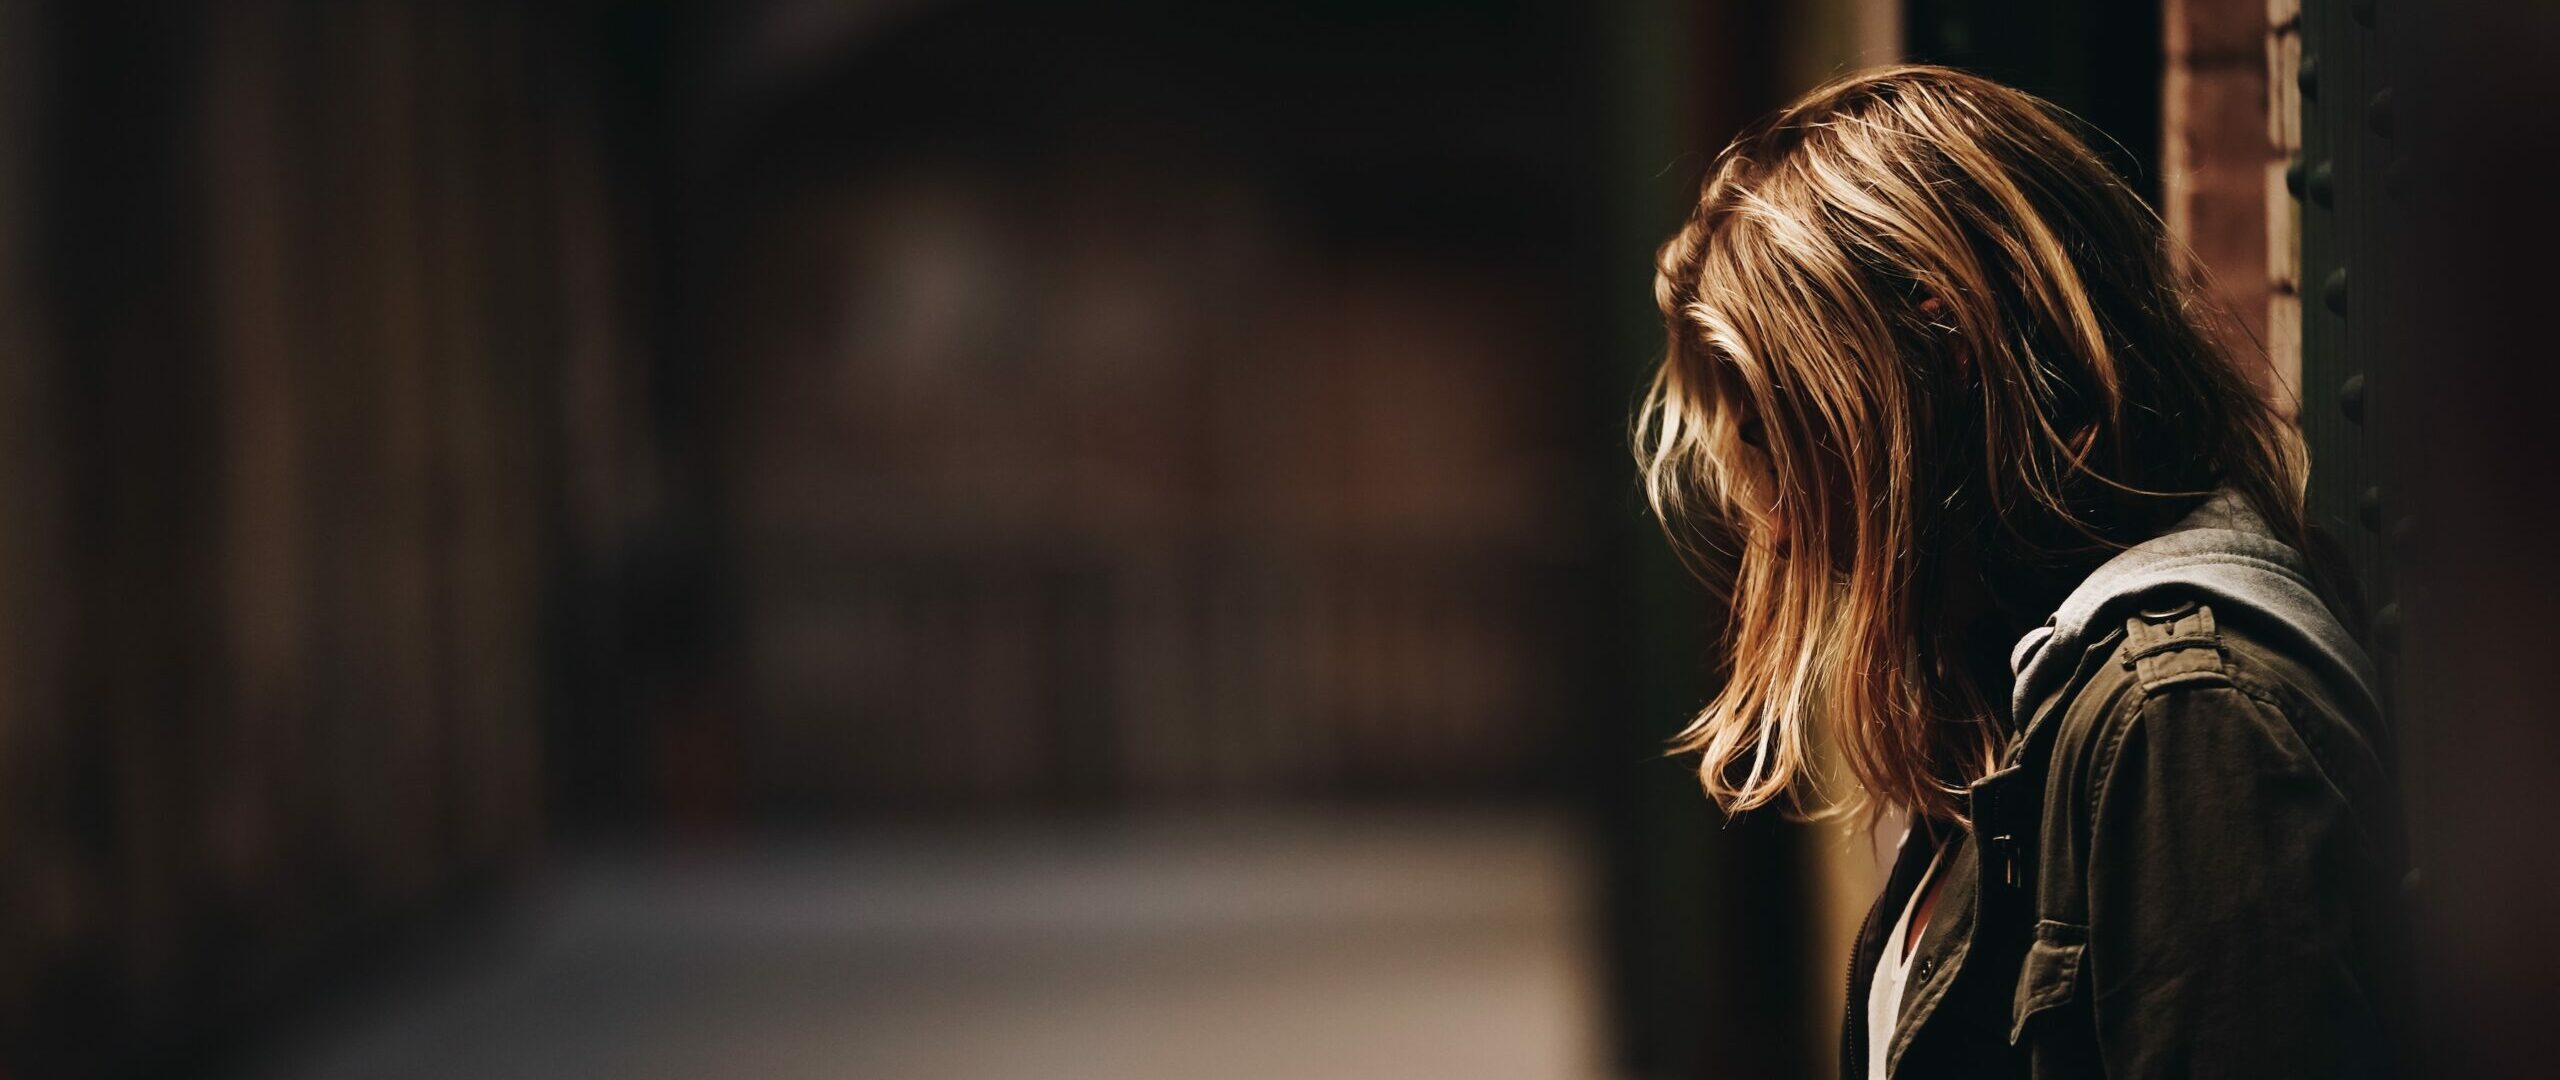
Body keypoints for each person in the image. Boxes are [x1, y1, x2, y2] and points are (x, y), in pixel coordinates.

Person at [1636, 66, 2407, 1078]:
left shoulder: (2183, 718)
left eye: (1780, 443)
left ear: (1943, 342)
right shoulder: (2029, 709)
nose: (1772, 530)